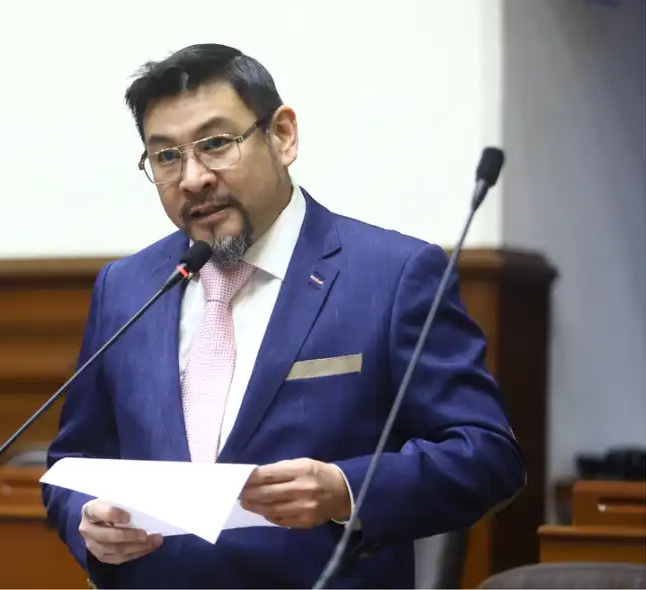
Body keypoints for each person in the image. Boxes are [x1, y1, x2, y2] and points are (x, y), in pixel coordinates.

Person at [40, 43, 525, 588]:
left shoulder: (392, 276)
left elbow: (486, 456)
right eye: (167, 157)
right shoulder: (127, 287)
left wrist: (346, 489)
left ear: (283, 135)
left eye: (216, 144)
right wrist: (87, 520)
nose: (193, 178)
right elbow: (73, 461)